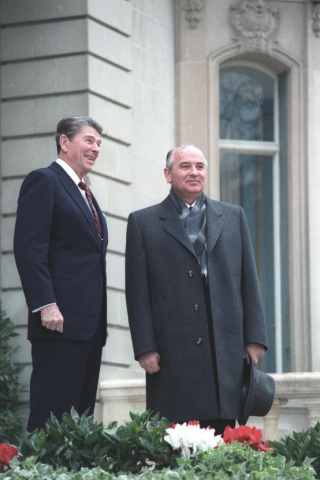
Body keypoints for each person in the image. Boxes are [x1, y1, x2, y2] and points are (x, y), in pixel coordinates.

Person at [125, 145, 267, 435]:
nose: (194, 172)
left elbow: (248, 281)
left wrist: (255, 338)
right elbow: (137, 292)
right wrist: (145, 347)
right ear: (168, 174)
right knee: (176, 447)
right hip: (171, 355)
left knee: (222, 449)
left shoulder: (233, 216)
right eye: (185, 166)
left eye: (200, 166)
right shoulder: (143, 222)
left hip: (224, 354)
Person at [14, 116, 108, 431]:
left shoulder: (86, 193)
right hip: (58, 323)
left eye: (98, 142)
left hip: (88, 328)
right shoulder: (44, 180)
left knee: (79, 424)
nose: (96, 148)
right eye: (89, 140)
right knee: (50, 419)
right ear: (64, 142)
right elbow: (29, 248)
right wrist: (46, 303)